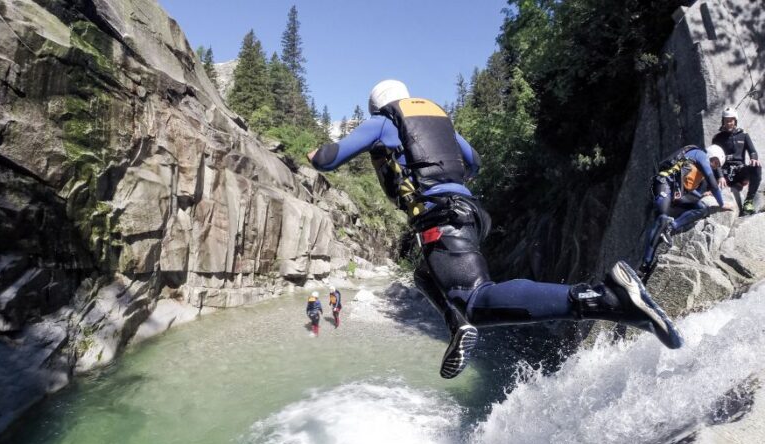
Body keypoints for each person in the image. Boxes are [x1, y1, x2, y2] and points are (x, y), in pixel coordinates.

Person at [307, 79, 683, 379]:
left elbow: (327, 159)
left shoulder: (383, 122)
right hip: (467, 213)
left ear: (378, 106)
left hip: (441, 217)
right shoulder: (438, 122)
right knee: (424, 274)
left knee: (474, 299)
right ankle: (458, 325)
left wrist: (312, 154)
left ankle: (603, 298)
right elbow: (474, 162)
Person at [639, 144, 735, 280]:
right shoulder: (700, 155)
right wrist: (721, 203)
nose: (714, 166)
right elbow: (713, 184)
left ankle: (671, 227)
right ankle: (644, 266)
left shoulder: (699, 166)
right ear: (710, 155)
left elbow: (687, 186)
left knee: (701, 208)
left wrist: (701, 196)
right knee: (662, 219)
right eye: (715, 162)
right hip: (664, 183)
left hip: (676, 192)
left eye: (717, 165)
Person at [711, 106, 761, 215]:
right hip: (724, 172)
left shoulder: (743, 135)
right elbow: (714, 159)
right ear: (723, 121)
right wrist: (720, 176)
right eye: (726, 121)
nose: (729, 123)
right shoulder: (717, 138)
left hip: (740, 172)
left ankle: (748, 201)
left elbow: (753, 151)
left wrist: (753, 159)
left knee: (757, 167)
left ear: (735, 121)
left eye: (731, 120)